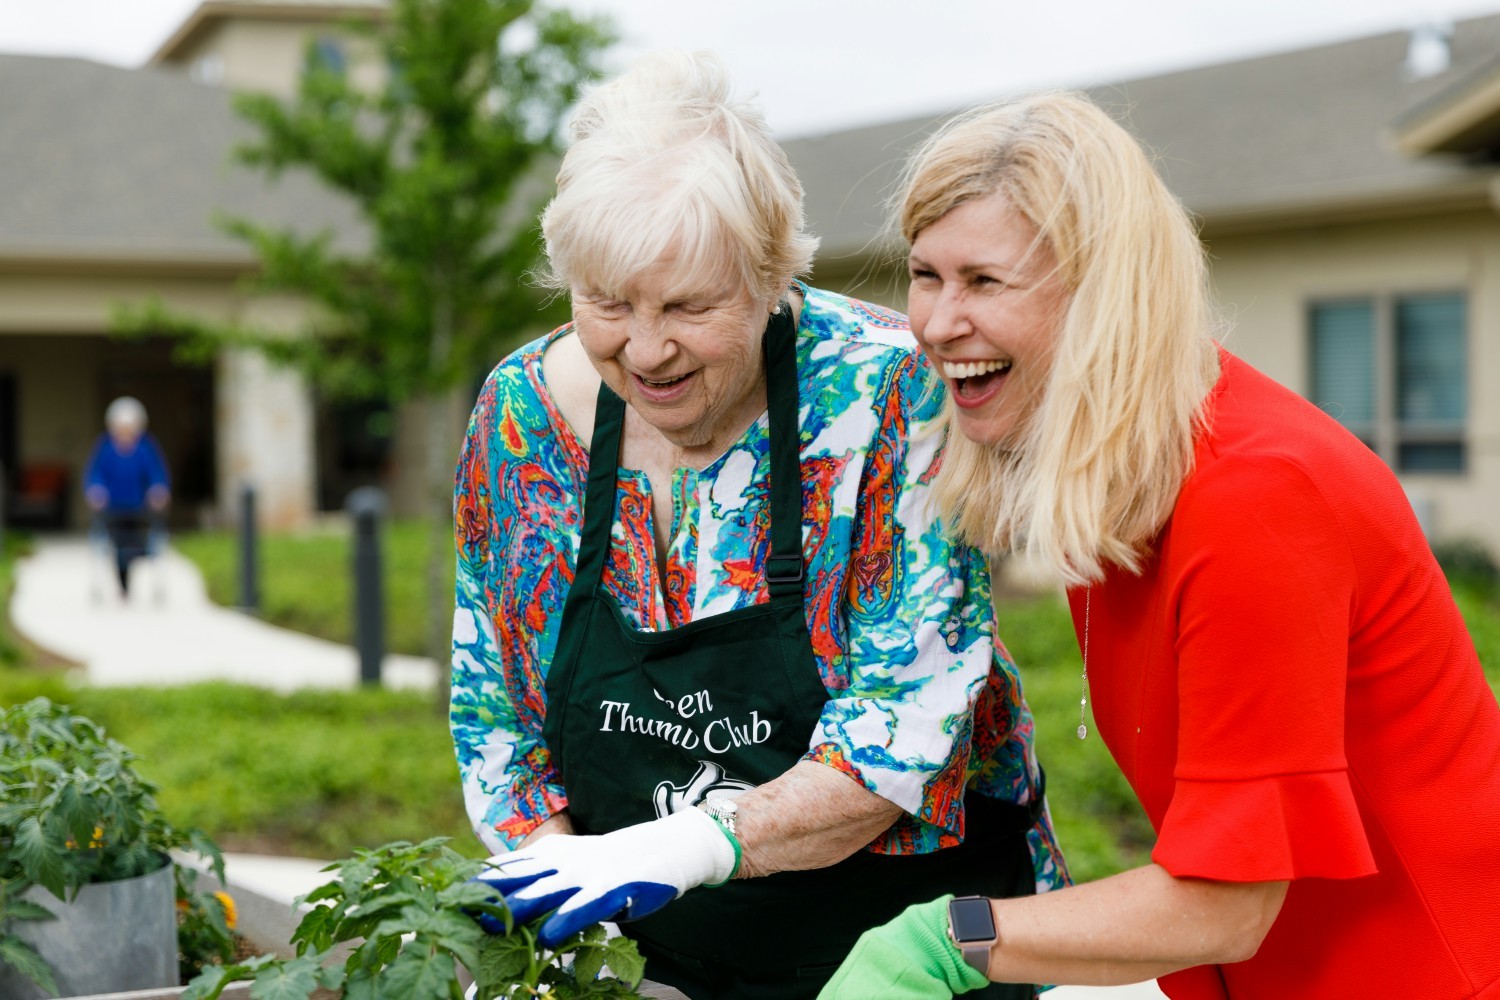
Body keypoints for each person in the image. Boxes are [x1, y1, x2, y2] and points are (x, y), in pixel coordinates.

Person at [820, 90, 1500, 999]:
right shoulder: (1120, 482)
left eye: (984, 281)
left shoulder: (1257, 498)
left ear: (1106, 295)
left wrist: (945, 940)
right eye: (926, 275)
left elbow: (1227, 902)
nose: (937, 324)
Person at [449, 52, 1069, 999]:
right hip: (657, 954)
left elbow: (902, 731)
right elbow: (496, 711)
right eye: (607, 304)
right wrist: (564, 887)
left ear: (772, 275)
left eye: (690, 306)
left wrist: (688, 843)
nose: (645, 349)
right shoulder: (519, 416)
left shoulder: (887, 389)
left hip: (900, 943)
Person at [83, 396, 170, 597]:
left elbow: (157, 472)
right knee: (115, 547)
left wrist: (158, 489)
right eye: (121, 425)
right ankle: (122, 585)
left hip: (139, 508)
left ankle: (131, 574)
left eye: (129, 425)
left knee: (138, 546)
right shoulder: (105, 447)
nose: (125, 429)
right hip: (113, 509)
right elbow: (95, 473)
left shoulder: (145, 447)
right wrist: (96, 490)